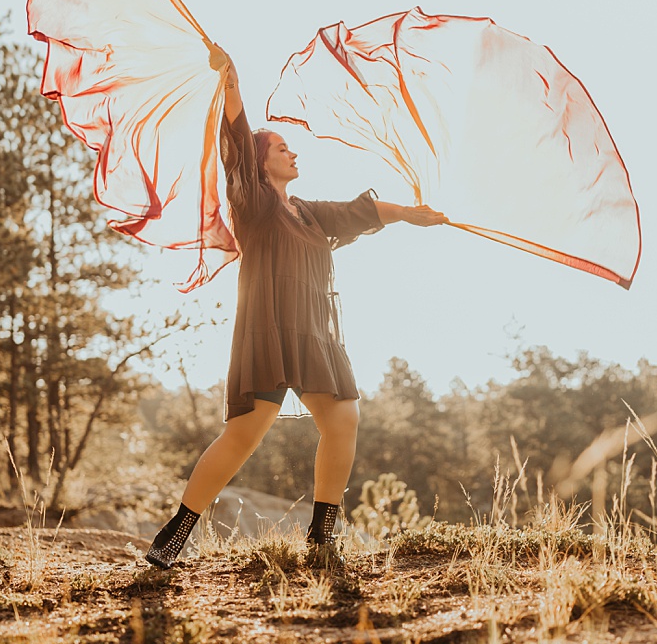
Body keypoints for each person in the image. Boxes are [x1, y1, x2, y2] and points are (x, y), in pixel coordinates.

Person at [145, 42, 448, 570]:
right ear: (261, 161)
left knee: (344, 419)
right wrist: (231, 80)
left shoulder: (308, 212)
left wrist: (408, 213)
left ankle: (321, 538)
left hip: (313, 334)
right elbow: (235, 145)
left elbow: (358, 211)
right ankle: (176, 532)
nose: (294, 155)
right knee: (244, 435)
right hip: (268, 329)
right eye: (283, 148)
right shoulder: (255, 203)